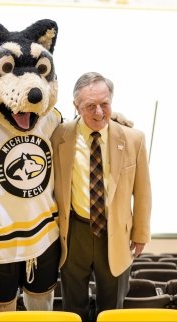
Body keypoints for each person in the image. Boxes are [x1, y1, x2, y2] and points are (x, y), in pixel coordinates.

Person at [51, 72, 152, 322]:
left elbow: (142, 192)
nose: (98, 113)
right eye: (90, 106)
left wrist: (140, 234)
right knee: (74, 307)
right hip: (75, 232)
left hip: (115, 232)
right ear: (76, 106)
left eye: (104, 104)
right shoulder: (59, 136)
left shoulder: (133, 138)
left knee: (112, 309)